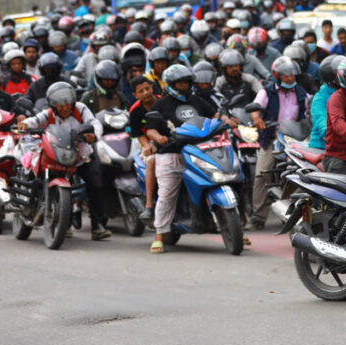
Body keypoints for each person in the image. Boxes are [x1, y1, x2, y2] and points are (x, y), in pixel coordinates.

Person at [143, 64, 226, 254]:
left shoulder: (197, 100)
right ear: (171, 84)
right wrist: (159, 138)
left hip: (199, 151)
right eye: (180, 83)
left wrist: (226, 121)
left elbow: (214, 115)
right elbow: (151, 129)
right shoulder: (161, 104)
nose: (184, 86)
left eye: (187, 82)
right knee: (166, 194)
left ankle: (232, 223)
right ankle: (159, 236)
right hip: (171, 153)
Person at [19, 82, 110, 240]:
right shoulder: (48, 114)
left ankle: (97, 226)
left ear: (73, 102)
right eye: (60, 105)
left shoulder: (81, 109)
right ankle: (61, 222)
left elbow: (94, 123)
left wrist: (93, 135)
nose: (64, 108)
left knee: (96, 184)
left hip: (81, 156)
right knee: (41, 181)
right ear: (53, 106)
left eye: (67, 104)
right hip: (57, 157)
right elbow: (34, 120)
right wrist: (24, 124)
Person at [246, 57, 309, 230]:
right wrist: (257, 118)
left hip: (295, 140)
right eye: (285, 76)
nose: (290, 79)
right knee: (261, 175)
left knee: (298, 176)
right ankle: (258, 217)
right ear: (277, 76)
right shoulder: (267, 92)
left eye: (292, 75)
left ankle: (289, 213)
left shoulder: (301, 92)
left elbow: (309, 109)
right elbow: (256, 108)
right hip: (272, 138)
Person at [128, 76, 160, 225]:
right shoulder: (135, 111)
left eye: (147, 88)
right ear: (135, 95)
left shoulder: (163, 101)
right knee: (152, 161)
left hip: (170, 140)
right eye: (141, 91)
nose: (146, 92)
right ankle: (149, 205)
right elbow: (138, 134)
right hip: (149, 143)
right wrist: (147, 146)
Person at [308, 55, 343, 150]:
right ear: (331, 77)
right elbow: (322, 122)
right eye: (341, 73)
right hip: (322, 146)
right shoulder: (320, 98)